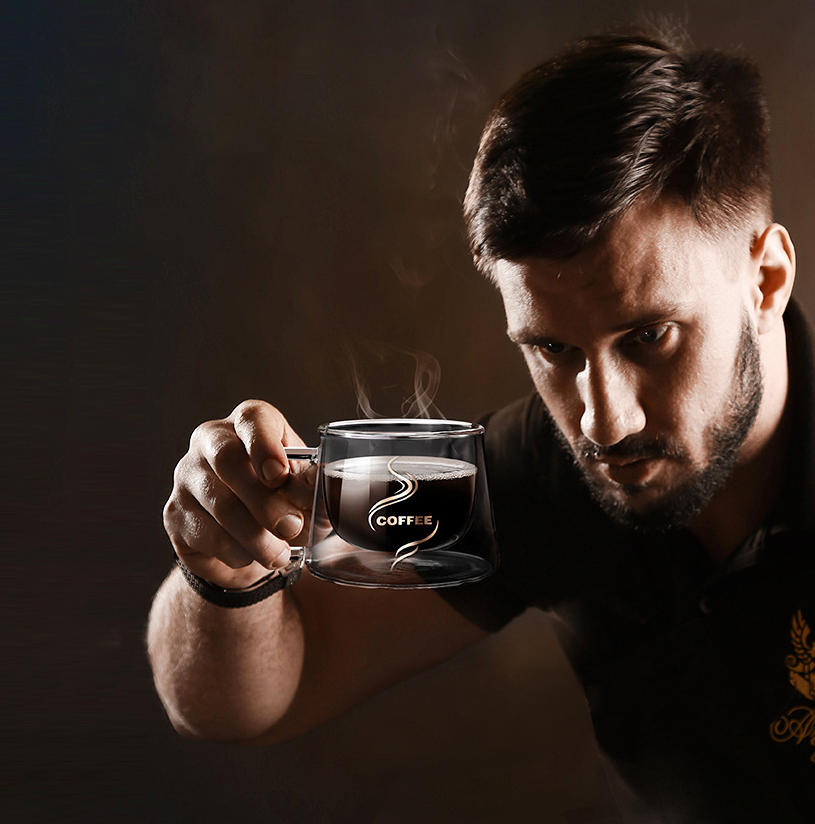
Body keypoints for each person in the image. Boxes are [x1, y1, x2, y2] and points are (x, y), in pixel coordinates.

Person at [147, 25, 814, 822]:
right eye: (553, 349)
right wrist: (223, 563)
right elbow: (250, 694)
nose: (604, 422)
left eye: (649, 337)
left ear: (766, 278)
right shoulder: (538, 470)